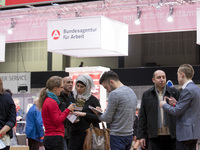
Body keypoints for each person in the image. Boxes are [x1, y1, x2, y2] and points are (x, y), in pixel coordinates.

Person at [94, 70, 137, 150]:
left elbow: (107, 118)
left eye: (106, 87)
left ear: (111, 82)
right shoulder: (131, 91)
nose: (107, 90)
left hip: (117, 135)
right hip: (129, 134)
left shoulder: (114, 94)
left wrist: (98, 113)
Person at [160, 64, 200, 150]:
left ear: (182, 74)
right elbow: (189, 109)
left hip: (185, 134)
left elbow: (177, 111)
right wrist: (176, 104)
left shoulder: (187, 90)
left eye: (177, 75)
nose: (177, 78)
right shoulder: (197, 89)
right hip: (194, 133)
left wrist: (164, 105)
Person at [137, 70, 180, 150]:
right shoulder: (147, 95)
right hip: (154, 136)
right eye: (159, 77)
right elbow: (142, 117)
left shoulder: (174, 93)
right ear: (153, 80)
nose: (161, 79)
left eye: (163, 77)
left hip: (172, 136)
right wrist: (142, 136)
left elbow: (180, 111)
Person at [38, 76, 76, 150]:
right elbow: (57, 121)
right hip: (54, 138)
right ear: (55, 88)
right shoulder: (51, 102)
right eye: (61, 87)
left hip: (52, 137)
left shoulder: (48, 100)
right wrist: (68, 110)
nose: (62, 89)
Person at [67, 74, 101, 150]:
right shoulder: (72, 99)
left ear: (87, 87)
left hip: (89, 134)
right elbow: (65, 115)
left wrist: (85, 114)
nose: (79, 88)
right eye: (77, 86)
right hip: (74, 135)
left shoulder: (93, 100)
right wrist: (71, 117)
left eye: (81, 87)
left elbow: (99, 118)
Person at [0, 78, 16, 150]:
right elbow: (12, 120)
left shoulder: (6, 97)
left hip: (3, 138)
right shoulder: (7, 97)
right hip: (3, 136)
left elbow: (12, 120)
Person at [58, 76, 73, 150]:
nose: (70, 84)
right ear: (62, 84)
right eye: (68, 82)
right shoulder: (58, 98)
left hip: (73, 130)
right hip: (62, 130)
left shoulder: (74, 97)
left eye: (72, 82)